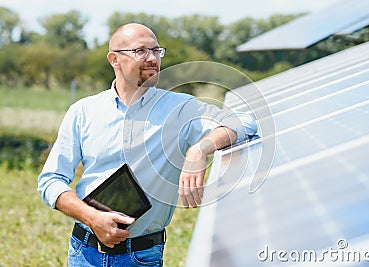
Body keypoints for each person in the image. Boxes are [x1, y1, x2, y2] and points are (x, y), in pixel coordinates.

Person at [38, 23, 258, 267]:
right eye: (140, 51)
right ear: (114, 59)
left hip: (142, 256)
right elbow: (50, 181)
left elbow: (245, 123)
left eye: (156, 51)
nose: (152, 58)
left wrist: (199, 150)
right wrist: (92, 218)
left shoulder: (179, 109)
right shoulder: (83, 111)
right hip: (84, 253)